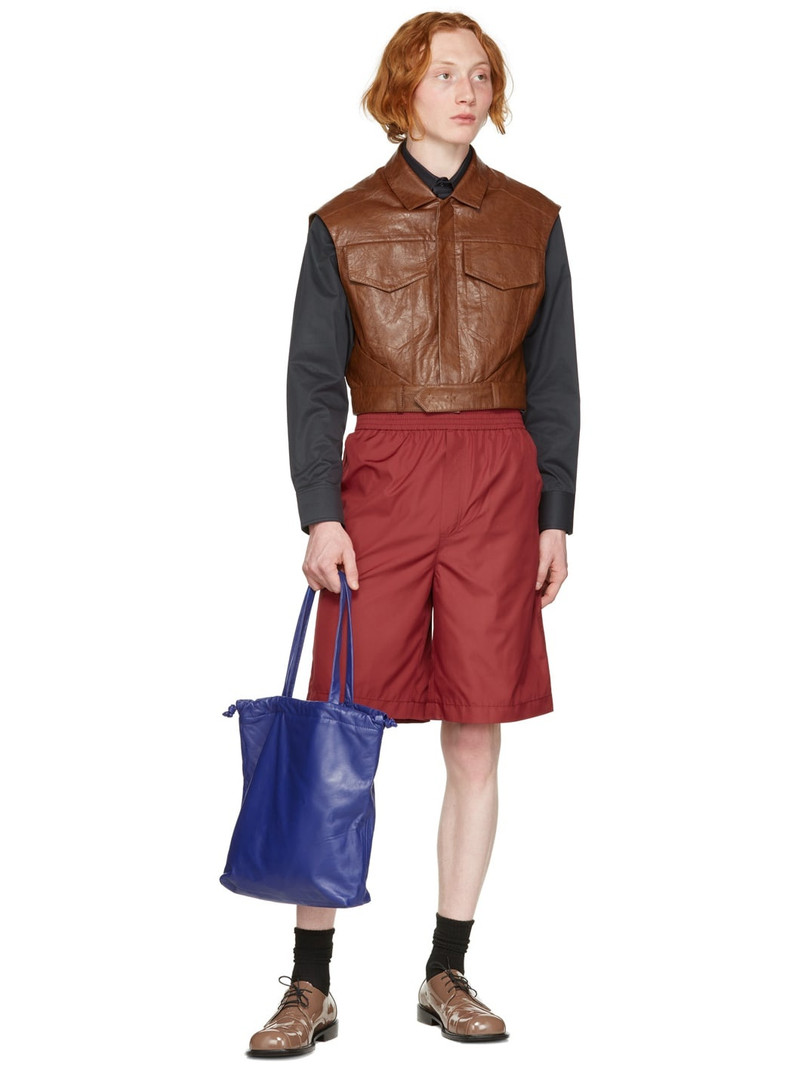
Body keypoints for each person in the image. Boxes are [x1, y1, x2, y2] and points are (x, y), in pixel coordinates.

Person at [247, 10, 579, 1055]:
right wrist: (320, 510)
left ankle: (447, 968)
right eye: (445, 76)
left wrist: (555, 513)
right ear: (402, 90)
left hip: (497, 485)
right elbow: (311, 382)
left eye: (481, 75)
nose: (468, 92)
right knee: (337, 731)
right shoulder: (342, 222)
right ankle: (309, 982)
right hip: (382, 481)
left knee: (476, 730)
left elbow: (556, 381)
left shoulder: (531, 218)